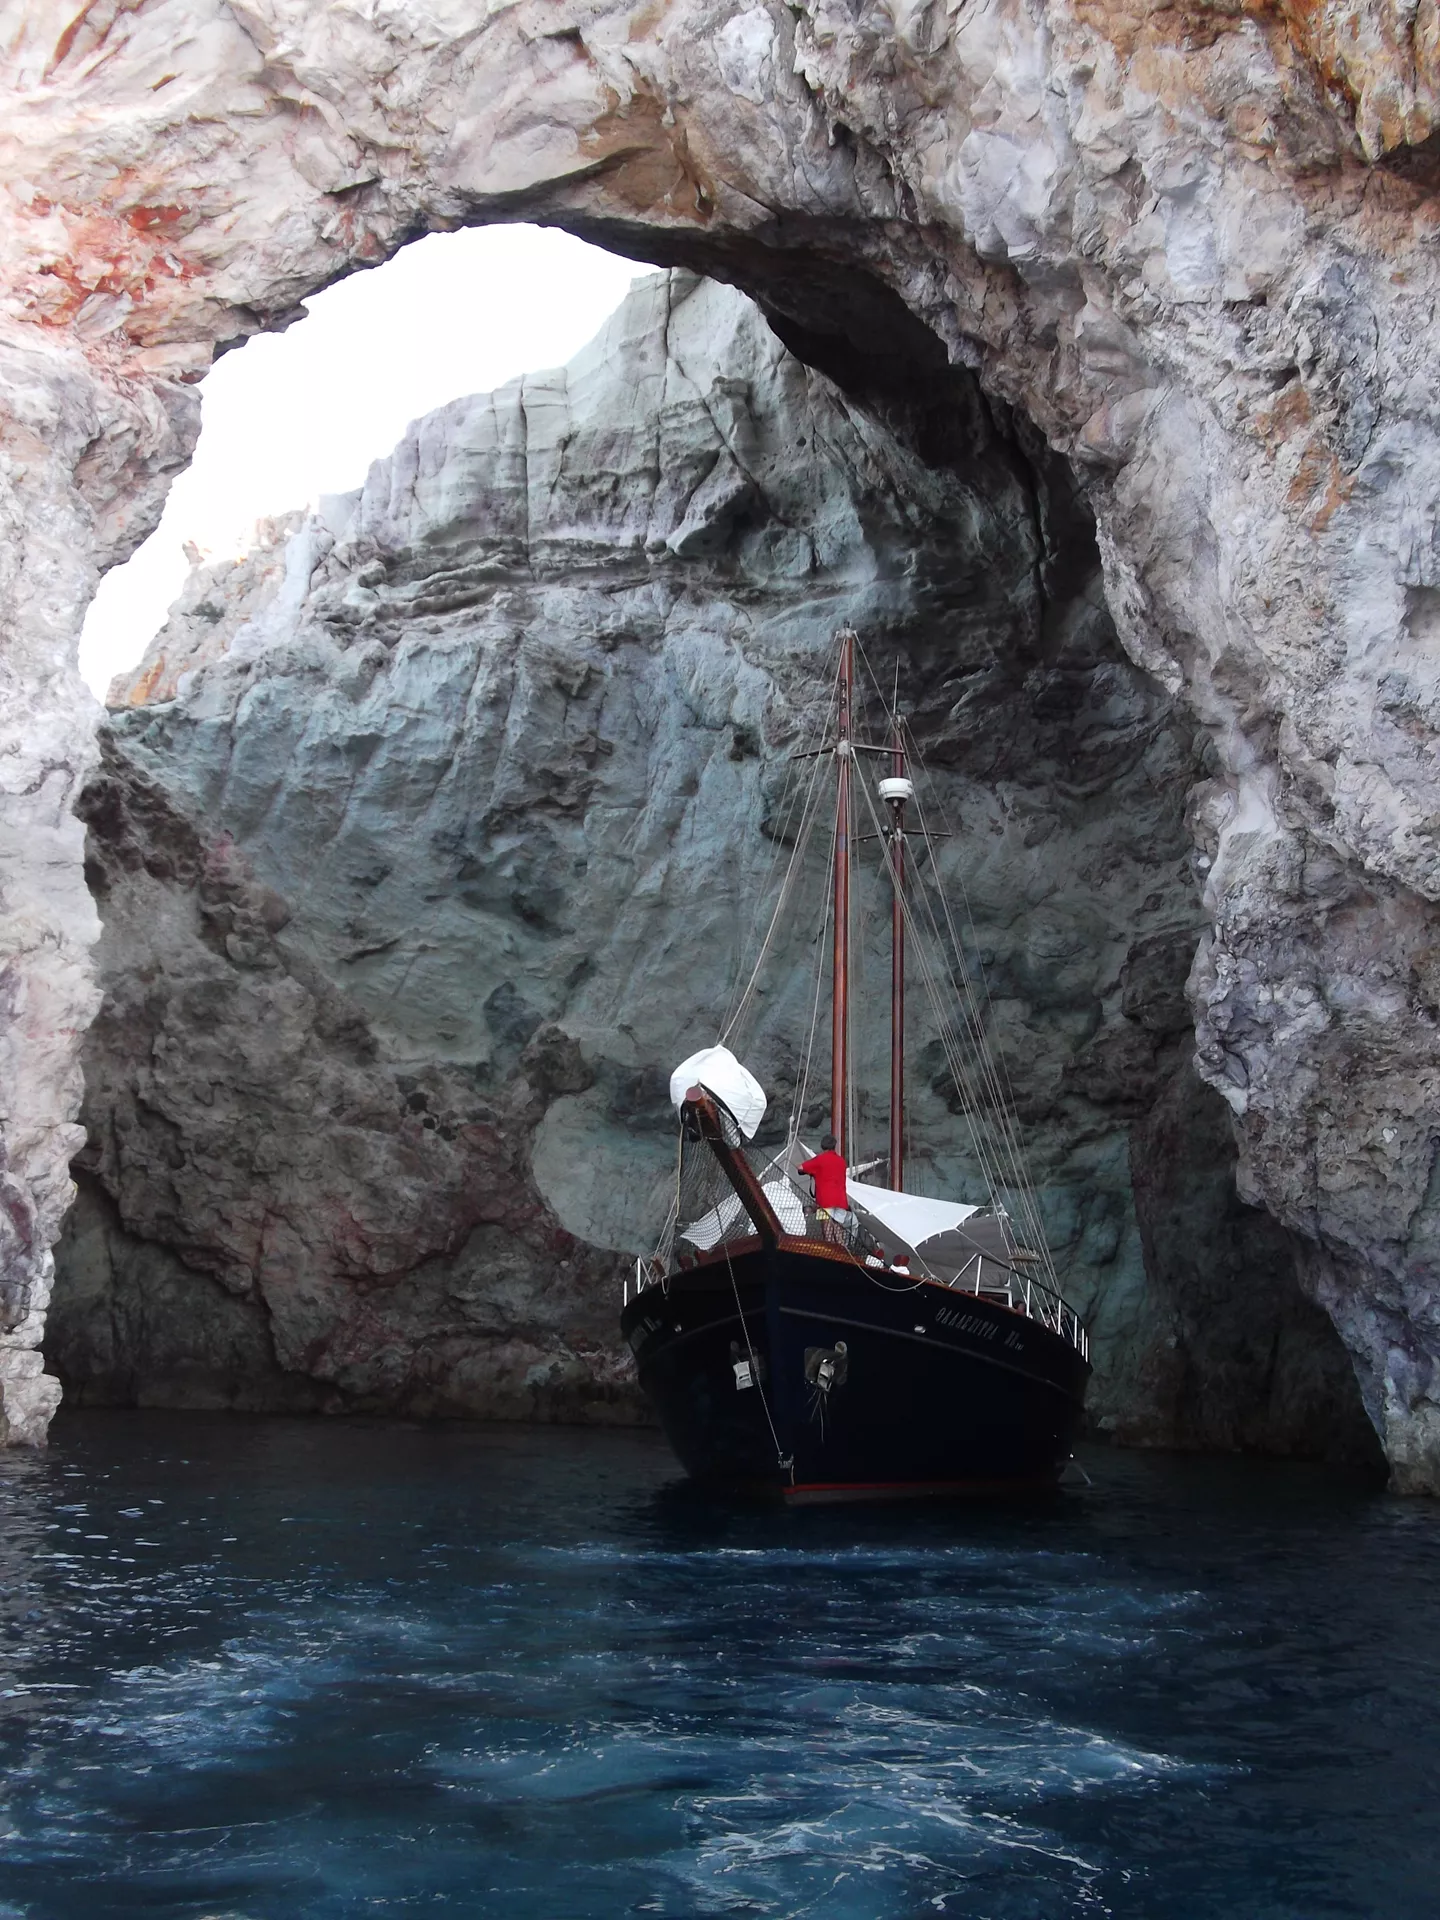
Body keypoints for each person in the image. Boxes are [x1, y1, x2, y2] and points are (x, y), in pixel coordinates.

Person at [800, 1134, 849, 1243]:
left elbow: (800, 1167)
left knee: (827, 1234)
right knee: (838, 1233)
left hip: (823, 1203)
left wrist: (812, 1173)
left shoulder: (819, 1159)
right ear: (834, 1146)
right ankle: (841, 1251)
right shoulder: (841, 1161)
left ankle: (830, 1252)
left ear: (822, 1146)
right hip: (841, 1202)